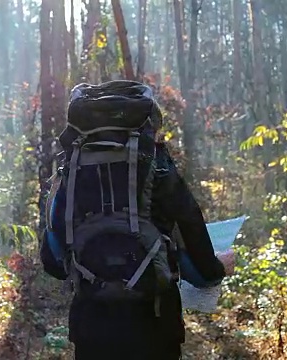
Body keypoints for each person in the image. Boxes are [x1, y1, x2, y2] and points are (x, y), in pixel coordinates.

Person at [40, 80, 236, 360]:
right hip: (155, 327)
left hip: (92, 331)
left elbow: (53, 263)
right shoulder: (158, 167)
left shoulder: (70, 174)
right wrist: (219, 266)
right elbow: (199, 262)